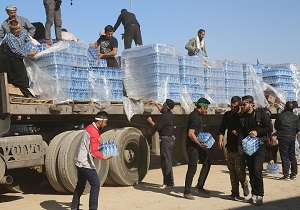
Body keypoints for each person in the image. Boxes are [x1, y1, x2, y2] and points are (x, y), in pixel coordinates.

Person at [71, 111, 111, 210]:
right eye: (105, 122)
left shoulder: (89, 127)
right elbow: (94, 152)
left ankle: (74, 207)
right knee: (96, 185)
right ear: (100, 122)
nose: (105, 125)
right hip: (85, 163)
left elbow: (92, 145)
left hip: (78, 161)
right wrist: (104, 157)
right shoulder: (94, 132)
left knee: (80, 185)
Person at [238, 95, 272, 205]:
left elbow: (269, 128)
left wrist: (257, 132)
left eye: (244, 104)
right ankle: (254, 194)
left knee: (257, 170)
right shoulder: (242, 117)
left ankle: (260, 194)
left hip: (260, 146)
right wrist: (240, 145)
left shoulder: (260, 114)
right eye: (241, 105)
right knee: (251, 171)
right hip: (248, 147)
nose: (242, 106)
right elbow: (241, 132)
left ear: (251, 104)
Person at [218, 96, 249, 200]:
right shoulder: (227, 115)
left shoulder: (243, 116)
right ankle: (234, 192)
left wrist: (238, 131)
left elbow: (246, 130)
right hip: (230, 146)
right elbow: (222, 128)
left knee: (239, 169)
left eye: (235, 107)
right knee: (231, 170)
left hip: (240, 147)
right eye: (232, 106)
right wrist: (220, 139)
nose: (233, 109)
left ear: (240, 106)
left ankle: (244, 184)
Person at [183, 98, 211, 200]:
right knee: (192, 167)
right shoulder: (195, 117)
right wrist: (200, 144)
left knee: (207, 163)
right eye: (206, 108)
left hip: (199, 145)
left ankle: (199, 187)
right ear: (202, 107)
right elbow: (191, 133)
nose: (206, 110)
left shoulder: (198, 115)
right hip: (193, 146)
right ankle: (187, 192)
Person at [0, 20, 36, 98]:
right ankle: (27, 94)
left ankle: (28, 93)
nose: (18, 30)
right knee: (19, 77)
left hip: (20, 57)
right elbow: (16, 51)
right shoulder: (9, 38)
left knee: (24, 77)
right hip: (11, 58)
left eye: (18, 28)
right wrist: (28, 54)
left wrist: (30, 44)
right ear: (12, 30)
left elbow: (27, 39)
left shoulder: (22, 32)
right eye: (16, 30)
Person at [147, 99, 175, 188]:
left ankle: (167, 182)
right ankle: (170, 181)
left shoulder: (166, 116)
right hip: (169, 140)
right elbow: (161, 110)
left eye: (164, 105)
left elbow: (157, 127)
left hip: (166, 141)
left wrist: (150, 120)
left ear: (166, 107)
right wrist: (155, 104)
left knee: (165, 161)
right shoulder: (169, 114)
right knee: (168, 160)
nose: (162, 106)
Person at [274, 101, 300, 181]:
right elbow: (298, 128)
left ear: (285, 107)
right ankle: (294, 173)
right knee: (292, 155)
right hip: (292, 138)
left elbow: (276, 126)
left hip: (283, 138)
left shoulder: (280, 116)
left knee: (284, 156)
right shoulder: (295, 117)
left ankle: (286, 174)